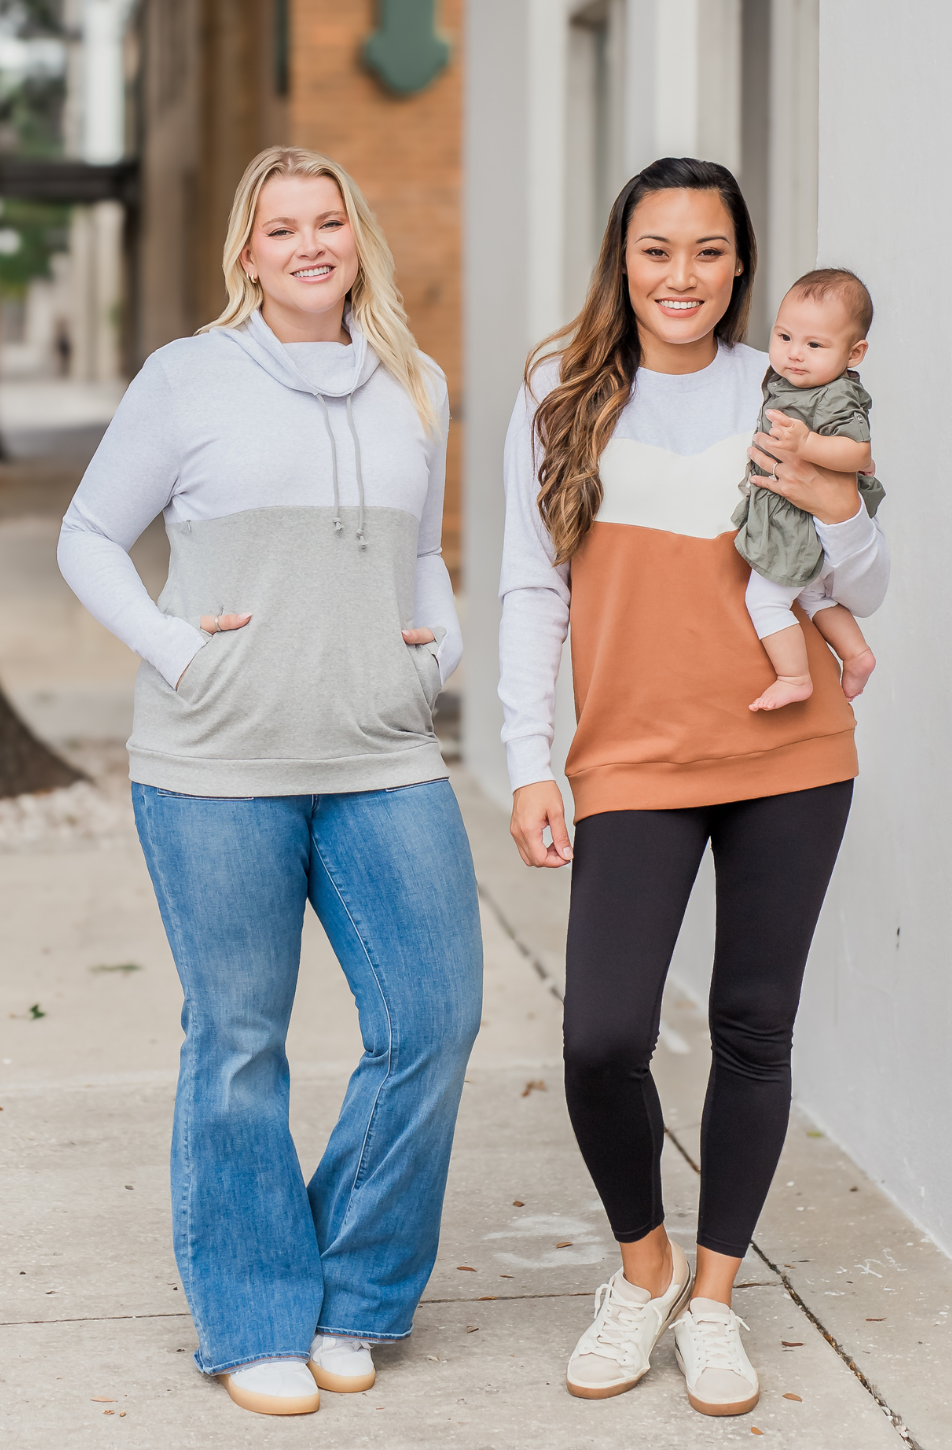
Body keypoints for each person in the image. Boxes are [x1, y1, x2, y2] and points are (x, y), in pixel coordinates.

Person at [58, 146, 482, 1418]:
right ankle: (251, 1317)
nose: (309, 243)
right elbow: (90, 536)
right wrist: (177, 652)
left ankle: (353, 1290)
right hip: (217, 766)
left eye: (328, 221)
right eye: (281, 226)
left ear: (358, 238)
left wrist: (441, 645)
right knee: (240, 1044)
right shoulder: (188, 379)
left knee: (434, 1020)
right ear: (247, 251)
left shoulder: (420, 383)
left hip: (382, 754)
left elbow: (421, 556)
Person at [498, 156, 888, 1417]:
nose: (683, 276)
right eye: (658, 249)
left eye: (709, 251)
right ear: (623, 256)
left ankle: (715, 1299)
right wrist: (526, 758)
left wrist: (828, 488)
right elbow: (529, 587)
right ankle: (644, 1271)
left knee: (752, 1026)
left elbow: (860, 581)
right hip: (632, 756)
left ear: (741, 263)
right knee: (602, 1033)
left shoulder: (786, 391)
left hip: (788, 752)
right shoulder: (560, 395)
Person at [734, 268, 884, 711]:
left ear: (854, 353)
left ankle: (793, 676)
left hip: (798, 523)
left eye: (814, 345)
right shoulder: (787, 381)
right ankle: (857, 654)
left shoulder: (835, 395)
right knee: (813, 593)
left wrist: (809, 445)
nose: (794, 354)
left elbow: (860, 453)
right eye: (783, 337)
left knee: (764, 599)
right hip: (801, 520)